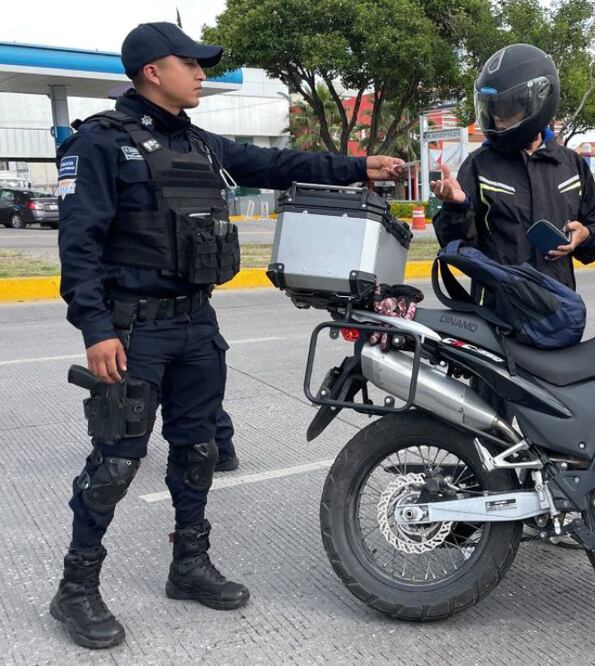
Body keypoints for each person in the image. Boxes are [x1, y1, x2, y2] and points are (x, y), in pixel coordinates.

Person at [52, 22, 404, 649]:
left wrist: (358, 166)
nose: (201, 73)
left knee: (198, 453)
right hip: (133, 330)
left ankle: (188, 565)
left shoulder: (202, 143)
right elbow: (78, 245)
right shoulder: (101, 143)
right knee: (115, 463)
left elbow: (277, 163)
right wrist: (95, 328)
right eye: (190, 64)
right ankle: (75, 588)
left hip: (195, 324)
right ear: (153, 72)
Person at [431, 43, 595, 290]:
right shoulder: (479, 165)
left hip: (556, 307)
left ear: (536, 102)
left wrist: (585, 236)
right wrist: (457, 207)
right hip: (497, 309)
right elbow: (460, 251)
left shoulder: (572, 165)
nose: (498, 119)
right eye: (492, 109)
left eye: (507, 108)